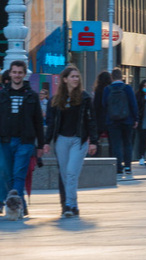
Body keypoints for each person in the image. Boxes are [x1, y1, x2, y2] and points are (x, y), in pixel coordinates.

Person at [0, 60, 47, 218]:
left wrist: (41, 145)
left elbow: (38, 122)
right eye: (14, 72)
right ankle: (21, 205)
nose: (17, 75)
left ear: (24, 74)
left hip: (25, 142)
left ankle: (14, 207)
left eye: (20, 72)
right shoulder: (0, 95)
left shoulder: (32, 96)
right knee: (7, 174)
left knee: (19, 174)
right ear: (10, 73)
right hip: (5, 140)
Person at [45, 65, 97, 218]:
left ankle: (68, 204)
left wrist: (93, 141)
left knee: (71, 172)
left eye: (77, 76)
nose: (75, 79)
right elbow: (51, 123)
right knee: (64, 174)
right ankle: (74, 205)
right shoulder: (55, 100)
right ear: (65, 79)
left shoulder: (85, 98)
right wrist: (46, 141)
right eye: (72, 76)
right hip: (61, 140)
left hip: (78, 140)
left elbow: (91, 120)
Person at [102, 69, 138, 179]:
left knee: (116, 144)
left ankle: (118, 168)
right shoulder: (127, 88)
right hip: (127, 120)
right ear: (121, 77)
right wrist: (136, 119)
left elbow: (104, 104)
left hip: (112, 121)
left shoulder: (107, 89)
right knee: (127, 143)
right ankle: (128, 167)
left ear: (112, 77)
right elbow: (133, 104)